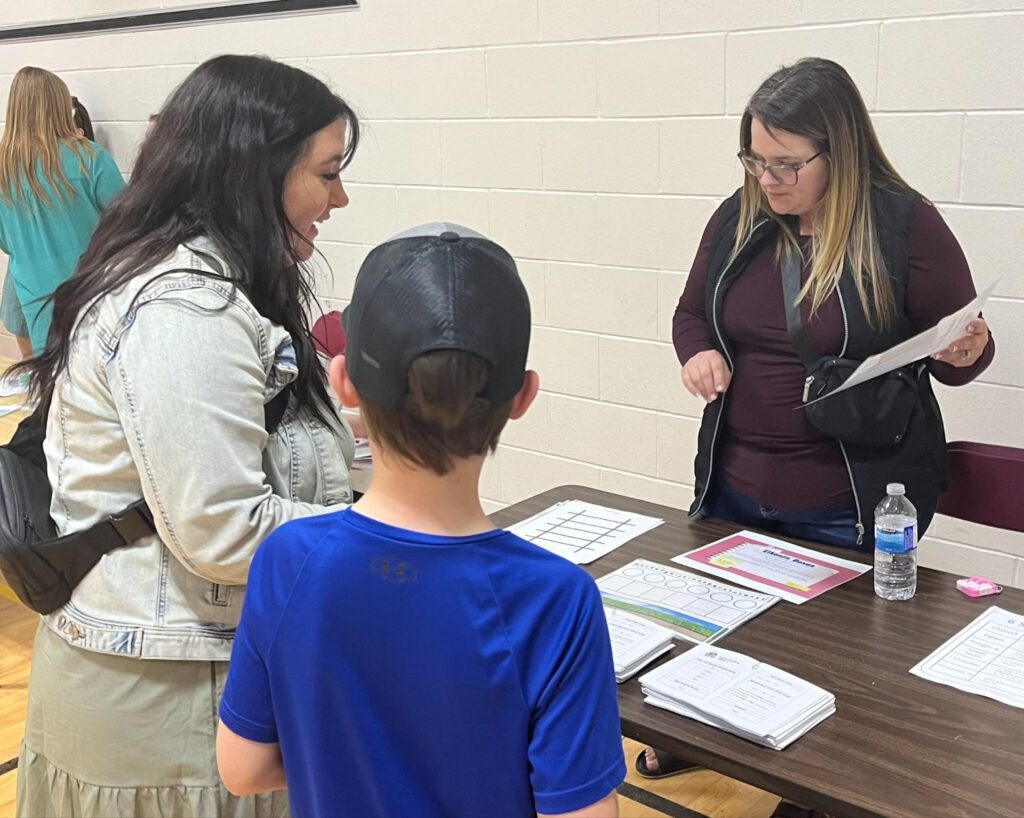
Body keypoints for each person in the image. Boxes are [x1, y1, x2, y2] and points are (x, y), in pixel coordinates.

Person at [640, 57, 996, 799]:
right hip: (734, 481)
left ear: (840, 151)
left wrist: (968, 348)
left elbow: (959, 349)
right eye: (754, 159)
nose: (767, 181)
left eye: (786, 165)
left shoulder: (903, 223)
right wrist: (697, 351)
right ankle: (702, 738)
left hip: (849, 496)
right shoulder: (740, 216)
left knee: (834, 665)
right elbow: (688, 314)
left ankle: (817, 793)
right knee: (723, 636)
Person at [15, 54, 361, 818]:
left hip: (172, 683)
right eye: (327, 173)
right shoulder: (183, 311)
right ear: (255, 171)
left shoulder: (208, 285)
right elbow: (221, 529)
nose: (339, 198)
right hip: (162, 707)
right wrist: (397, 535)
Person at [215, 224, 627, 818]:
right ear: (523, 397)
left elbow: (243, 768)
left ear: (344, 384)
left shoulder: (288, 559)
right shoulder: (553, 600)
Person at [0, 68, 123, 389]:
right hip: (92, 293)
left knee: (55, 392)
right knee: (99, 389)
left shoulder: (2, 171)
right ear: (59, 106)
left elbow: (6, 243)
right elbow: (128, 224)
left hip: (35, 299)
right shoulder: (89, 158)